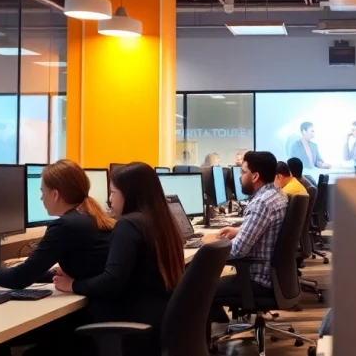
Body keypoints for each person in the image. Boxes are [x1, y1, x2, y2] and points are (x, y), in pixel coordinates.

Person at [54, 162, 187, 355]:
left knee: (54, 335)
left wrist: (73, 284)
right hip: (159, 321)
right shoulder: (163, 221)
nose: (109, 200)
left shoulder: (128, 224)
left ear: (129, 194)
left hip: (132, 324)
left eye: (113, 193)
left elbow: (112, 281)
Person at [0, 159, 114, 289]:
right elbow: (33, 272)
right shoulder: (93, 217)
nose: (41, 198)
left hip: (101, 309)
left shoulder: (65, 226)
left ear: (55, 194)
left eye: (43, 192)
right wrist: (52, 274)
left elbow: (20, 278)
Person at [207, 151, 288, 302]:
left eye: (243, 172)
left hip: (257, 280)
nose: (239, 177)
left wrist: (207, 248)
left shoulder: (262, 203)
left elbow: (238, 250)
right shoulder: (276, 195)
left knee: (198, 284)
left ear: (255, 176)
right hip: (273, 276)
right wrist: (238, 231)